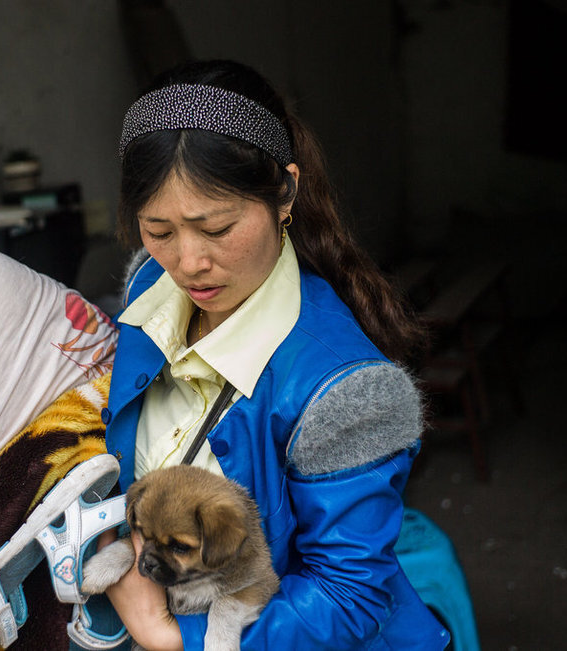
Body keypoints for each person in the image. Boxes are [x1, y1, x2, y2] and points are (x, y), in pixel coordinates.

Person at [96, 59, 450, 649]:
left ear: (284, 193)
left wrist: (165, 635)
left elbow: (349, 596)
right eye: (159, 231)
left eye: (215, 229)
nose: (187, 263)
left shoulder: (349, 392)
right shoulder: (146, 288)